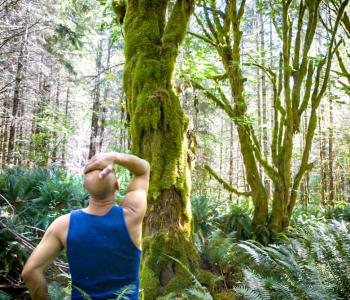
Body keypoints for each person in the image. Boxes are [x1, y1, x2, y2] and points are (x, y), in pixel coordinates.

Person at [21, 152, 150, 300]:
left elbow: (30, 272)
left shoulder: (63, 225)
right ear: (117, 185)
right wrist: (115, 157)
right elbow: (143, 169)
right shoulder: (132, 215)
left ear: (84, 187)